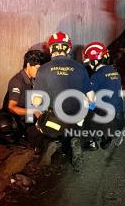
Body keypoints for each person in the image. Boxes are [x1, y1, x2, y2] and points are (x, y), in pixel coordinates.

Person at [31, 31, 94, 171]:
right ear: (68, 48)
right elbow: (91, 97)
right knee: (85, 110)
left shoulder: (43, 69)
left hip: (55, 121)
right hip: (77, 118)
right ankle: (75, 137)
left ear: (51, 48)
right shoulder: (80, 67)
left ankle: (54, 140)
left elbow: (36, 101)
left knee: (39, 122)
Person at [0, 50, 57, 165]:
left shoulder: (33, 79)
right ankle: (41, 145)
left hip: (28, 114)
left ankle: (47, 140)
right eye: (37, 68)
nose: (39, 72)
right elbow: (12, 108)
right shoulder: (17, 81)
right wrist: (34, 111)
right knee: (36, 133)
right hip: (17, 119)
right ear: (28, 65)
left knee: (51, 123)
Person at [82, 41, 125, 148]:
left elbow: (90, 100)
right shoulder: (115, 72)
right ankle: (108, 136)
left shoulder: (96, 76)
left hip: (104, 121)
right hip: (120, 120)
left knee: (84, 104)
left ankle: (91, 141)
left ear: (94, 61)